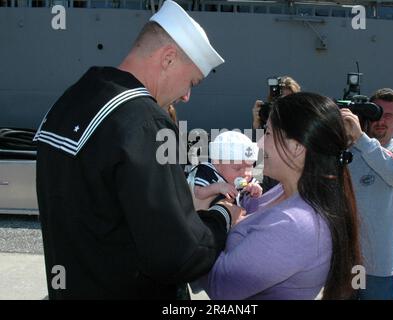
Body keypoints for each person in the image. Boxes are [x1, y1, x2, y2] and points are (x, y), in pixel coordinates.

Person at [33, 0, 243, 299]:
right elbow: (178, 256)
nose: (186, 96)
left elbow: (103, 208)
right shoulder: (145, 122)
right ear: (168, 58)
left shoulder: (72, 99)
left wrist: (184, 205)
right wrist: (222, 215)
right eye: (191, 81)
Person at [200, 92, 362, 300]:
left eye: (267, 133)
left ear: (296, 148)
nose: (258, 145)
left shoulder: (294, 224)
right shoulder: (286, 190)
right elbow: (243, 207)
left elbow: (220, 286)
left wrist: (208, 216)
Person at [341, 88, 393, 300]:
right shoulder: (349, 151)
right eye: (376, 113)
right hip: (348, 262)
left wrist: (362, 139)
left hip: (380, 266)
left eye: (388, 115)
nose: (380, 121)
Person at [187, 131, 262, 211]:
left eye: (249, 167)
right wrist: (218, 187)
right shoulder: (208, 172)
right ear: (217, 163)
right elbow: (198, 193)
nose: (245, 173)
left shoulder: (246, 180)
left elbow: (252, 195)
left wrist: (255, 190)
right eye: (237, 168)